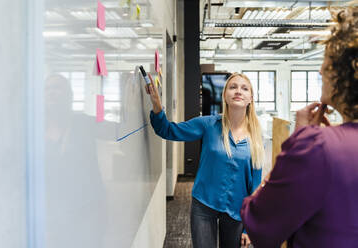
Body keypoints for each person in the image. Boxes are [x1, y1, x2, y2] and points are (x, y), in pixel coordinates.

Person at [240, 7, 358, 248]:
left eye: (326, 61)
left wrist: (297, 142)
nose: (320, 70)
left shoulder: (318, 147)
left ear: (343, 72)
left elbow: (259, 223)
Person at [145, 72, 265, 248]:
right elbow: (168, 130)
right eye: (233, 87)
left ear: (250, 98)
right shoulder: (209, 124)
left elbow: (255, 186)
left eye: (244, 88)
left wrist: (249, 227)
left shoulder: (255, 136)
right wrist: (157, 106)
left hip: (237, 209)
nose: (238, 91)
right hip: (204, 204)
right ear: (225, 95)